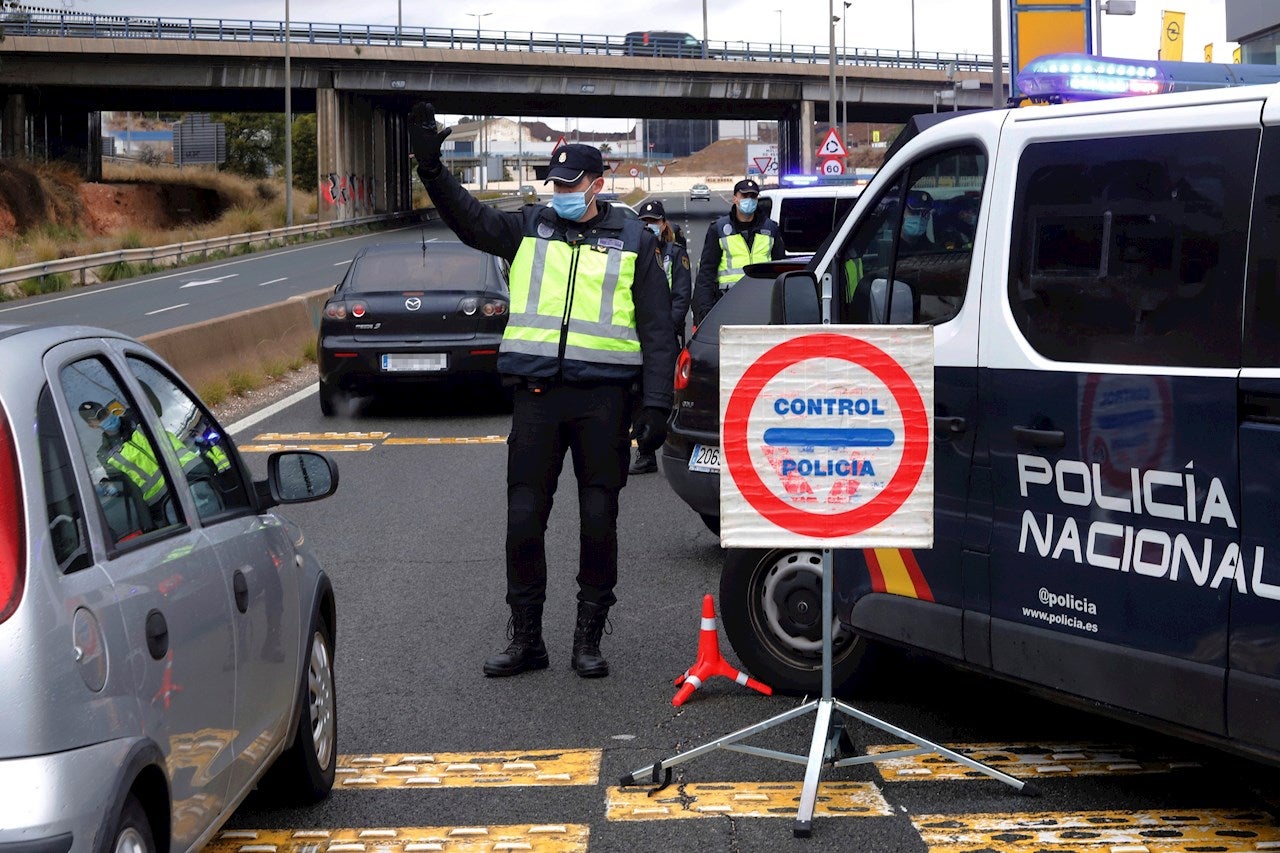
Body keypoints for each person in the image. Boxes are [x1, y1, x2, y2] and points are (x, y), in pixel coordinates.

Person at [408, 102, 677, 679]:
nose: (559, 192)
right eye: (553, 183)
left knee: (598, 520)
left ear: (598, 184)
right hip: (536, 399)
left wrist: (657, 403)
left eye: (570, 183)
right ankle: (527, 638)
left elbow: (658, 330)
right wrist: (431, 170)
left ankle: (588, 637)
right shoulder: (532, 227)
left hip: (603, 403)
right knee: (524, 519)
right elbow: (469, 219)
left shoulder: (634, 241)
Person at [629, 199, 691, 475]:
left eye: (653, 222)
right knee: (638, 393)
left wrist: (664, 329)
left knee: (666, 393)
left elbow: (681, 297)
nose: (649, 226)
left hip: (663, 337)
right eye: (644, 222)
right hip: (634, 334)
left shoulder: (675, 254)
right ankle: (645, 452)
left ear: (664, 224)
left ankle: (674, 444)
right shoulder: (634, 253)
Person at [691, 178, 786, 326]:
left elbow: (781, 269)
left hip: (763, 306)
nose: (749, 200)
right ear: (735, 198)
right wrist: (704, 312)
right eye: (745, 196)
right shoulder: (719, 229)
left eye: (753, 197)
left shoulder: (771, 229)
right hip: (728, 305)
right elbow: (706, 274)